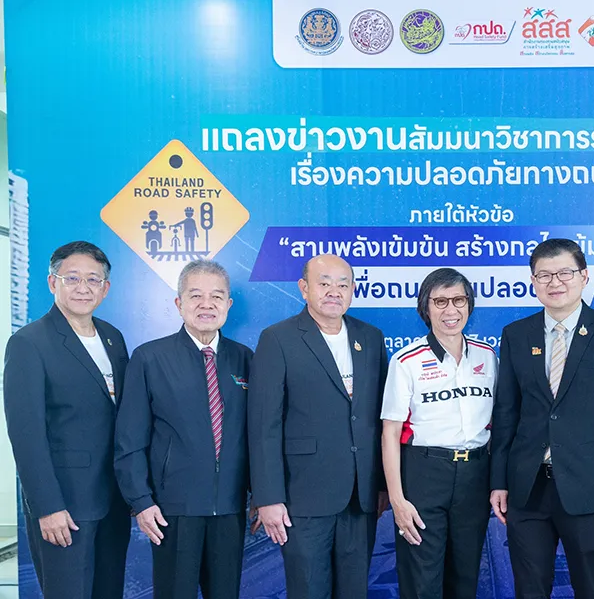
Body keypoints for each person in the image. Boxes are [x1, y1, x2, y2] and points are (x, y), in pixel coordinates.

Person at [489, 238, 594, 598]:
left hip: (588, 485)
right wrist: (498, 481)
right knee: (529, 589)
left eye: (564, 273)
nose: (554, 282)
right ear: (533, 281)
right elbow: (506, 413)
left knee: (591, 586)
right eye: (544, 275)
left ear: (584, 276)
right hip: (527, 487)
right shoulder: (516, 335)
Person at [248, 254, 389, 599]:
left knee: (354, 591)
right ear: (304, 288)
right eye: (324, 283)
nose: (333, 291)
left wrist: (383, 485)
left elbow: (381, 417)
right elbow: (264, 425)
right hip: (303, 498)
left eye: (343, 284)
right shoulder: (277, 338)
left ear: (352, 290)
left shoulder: (370, 337)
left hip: (361, 497)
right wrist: (268, 497)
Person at [114, 260, 254, 598]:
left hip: (230, 507)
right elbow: (129, 440)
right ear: (179, 303)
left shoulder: (245, 359)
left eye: (216, 297)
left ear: (228, 305)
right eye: (195, 296)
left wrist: (261, 495)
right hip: (172, 510)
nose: (207, 304)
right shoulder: (149, 358)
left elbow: (259, 435)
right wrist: (141, 501)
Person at [4, 241, 131, 599]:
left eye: (93, 279)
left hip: (114, 499)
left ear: (105, 288)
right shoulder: (29, 343)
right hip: (65, 505)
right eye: (72, 278)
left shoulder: (113, 337)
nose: (83, 288)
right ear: (52, 282)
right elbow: (26, 435)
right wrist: (47, 507)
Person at [381, 268, 498, 599]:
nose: (451, 310)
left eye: (459, 300)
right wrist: (397, 499)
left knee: (465, 577)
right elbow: (390, 433)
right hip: (424, 474)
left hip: (475, 475)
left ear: (469, 304)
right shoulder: (406, 361)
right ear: (426, 307)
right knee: (423, 581)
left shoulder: (488, 356)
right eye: (440, 301)